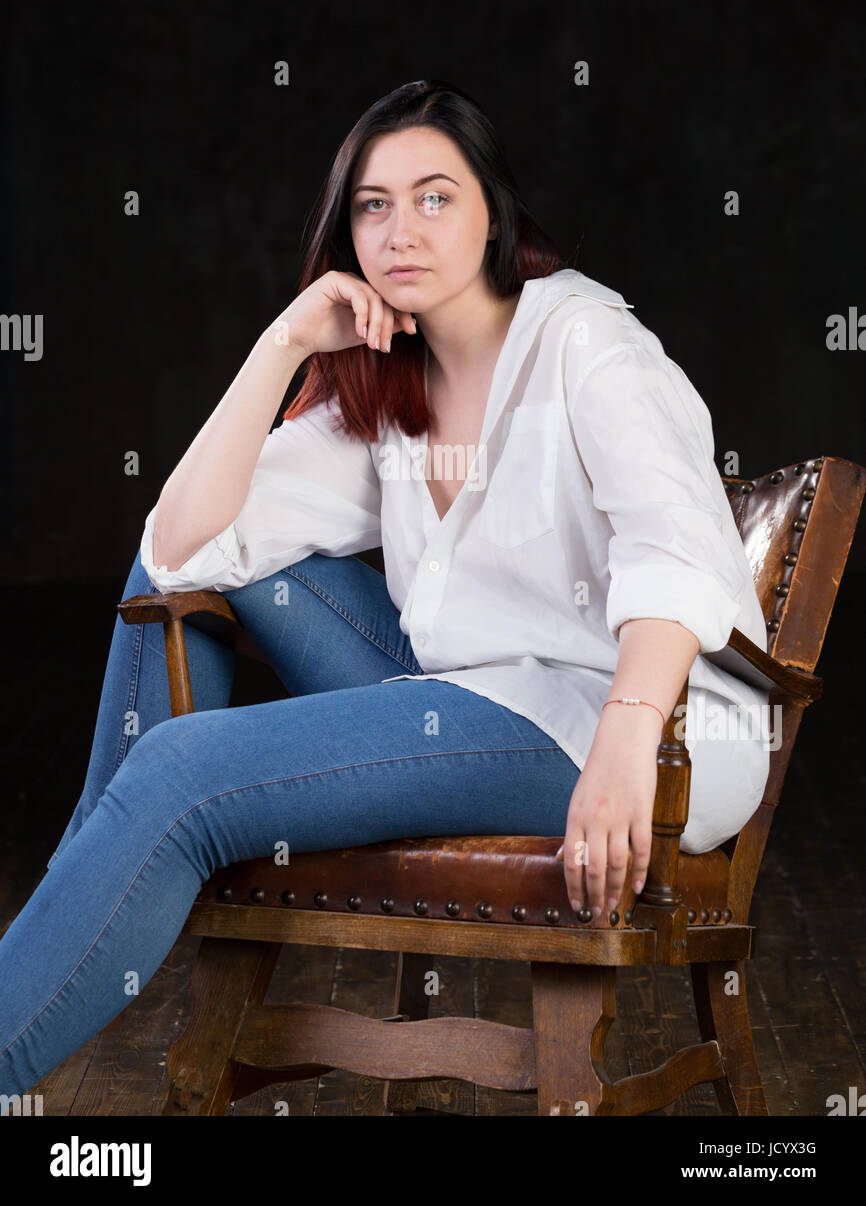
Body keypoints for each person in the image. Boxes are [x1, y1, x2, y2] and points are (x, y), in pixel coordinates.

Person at [0, 78, 771, 1102]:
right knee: (190, 576)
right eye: (372, 204)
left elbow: (674, 545)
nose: (400, 229)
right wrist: (282, 343)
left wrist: (629, 732)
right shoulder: (389, 381)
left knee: (180, 773)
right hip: (473, 694)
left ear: (492, 211)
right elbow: (183, 546)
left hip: (627, 717)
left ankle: (68, 922)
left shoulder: (583, 342)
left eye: (434, 196)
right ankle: (91, 876)